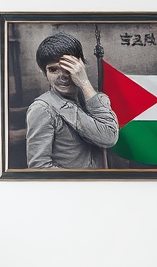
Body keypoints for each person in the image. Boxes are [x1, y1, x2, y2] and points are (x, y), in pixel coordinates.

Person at [24, 33, 119, 169]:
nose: (62, 77)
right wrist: (80, 182)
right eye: (53, 70)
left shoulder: (98, 99)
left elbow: (109, 137)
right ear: (44, 72)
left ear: (80, 66)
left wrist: (84, 83)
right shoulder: (43, 108)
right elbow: (39, 167)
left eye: (68, 68)